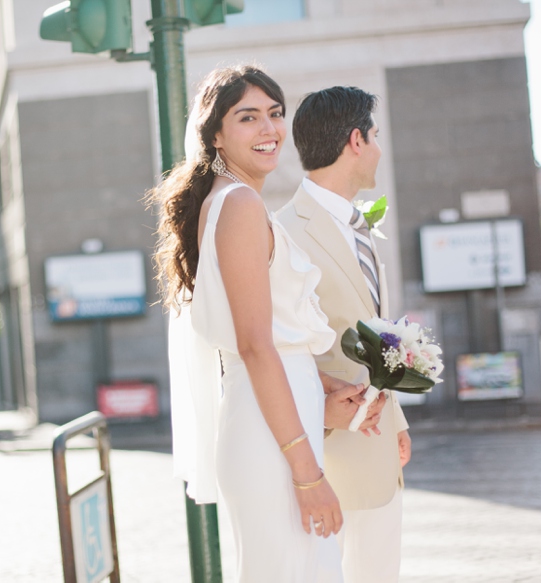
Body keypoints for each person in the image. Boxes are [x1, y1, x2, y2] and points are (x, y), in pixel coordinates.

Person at [150, 66, 356, 582]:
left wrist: (324, 382)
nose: (269, 130)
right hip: (270, 441)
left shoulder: (232, 200)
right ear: (215, 135)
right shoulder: (238, 203)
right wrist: (308, 476)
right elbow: (256, 347)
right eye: (248, 118)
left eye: (275, 114)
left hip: (272, 421)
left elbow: (271, 342)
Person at [277, 86, 413, 583]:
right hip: (327, 458)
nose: (378, 147)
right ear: (355, 141)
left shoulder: (361, 228)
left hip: (379, 452)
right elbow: (272, 347)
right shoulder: (282, 231)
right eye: (374, 136)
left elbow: (377, 331)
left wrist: (396, 419)